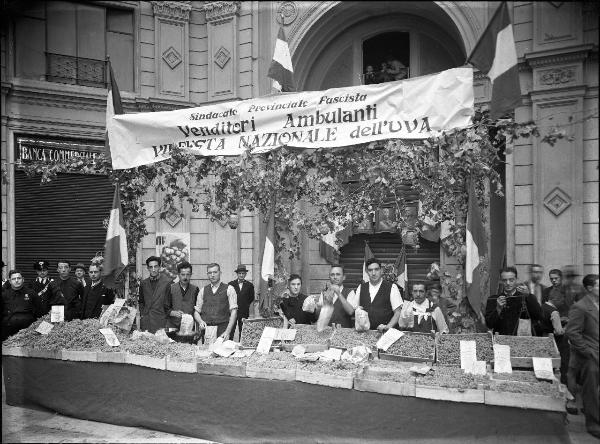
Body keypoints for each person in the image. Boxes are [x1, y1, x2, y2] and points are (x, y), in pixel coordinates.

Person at [566, 274, 599, 438]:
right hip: (589, 358)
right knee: (590, 391)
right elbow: (572, 332)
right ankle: (593, 425)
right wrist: (587, 352)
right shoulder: (580, 307)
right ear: (590, 288)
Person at [348, 258, 404, 331]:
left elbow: (398, 312)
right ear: (367, 272)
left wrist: (387, 327)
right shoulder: (361, 287)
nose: (373, 273)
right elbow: (355, 309)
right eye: (370, 270)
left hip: (386, 334)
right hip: (366, 333)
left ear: (381, 271)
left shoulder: (392, 287)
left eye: (376, 269)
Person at [485, 266, 542, 335]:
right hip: (501, 342)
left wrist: (528, 296)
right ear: (500, 281)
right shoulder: (493, 299)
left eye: (511, 280)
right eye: (504, 280)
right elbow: (489, 324)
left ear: (516, 280)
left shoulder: (525, 297)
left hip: (522, 340)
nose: (508, 283)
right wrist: (498, 309)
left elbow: (539, 316)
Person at [194, 263, 238, 339]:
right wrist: (200, 321)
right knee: (207, 350)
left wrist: (228, 331)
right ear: (207, 274)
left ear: (220, 273)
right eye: (210, 273)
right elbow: (196, 312)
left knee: (221, 351)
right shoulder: (203, 290)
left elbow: (234, 312)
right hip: (207, 331)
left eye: (215, 272)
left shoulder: (229, 289)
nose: (212, 275)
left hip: (223, 330)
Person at [138, 256, 172, 333]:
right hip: (147, 322)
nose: (153, 269)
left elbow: (170, 304)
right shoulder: (143, 283)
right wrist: (143, 315)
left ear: (160, 267)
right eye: (151, 267)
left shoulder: (167, 283)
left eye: (155, 266)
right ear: (148, 268)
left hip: (161, 322)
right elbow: (141, 301)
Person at [1, 270, 36, 341]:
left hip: (28, 332)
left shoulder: (31, 293)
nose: (16, 281)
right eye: (14, 279)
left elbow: (40, 312)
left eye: (19, 278)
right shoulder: (4, 295)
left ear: (23, 279)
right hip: (8, 332)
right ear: (10, 281)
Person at [164, 261, 199, 330]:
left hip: (189, 327)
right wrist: (172, 312)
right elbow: (165, 307)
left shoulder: (195, 289)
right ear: (178, 274)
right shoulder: (171, 287)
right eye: (183, 274)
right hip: (173, 326)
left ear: (191, 275)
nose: (185, 277)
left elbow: (197, 309)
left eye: (188, 274)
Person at [227, 265, 255, 340]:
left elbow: (251, 298)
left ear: (245, 274)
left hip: (243, 311)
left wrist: (245, 305)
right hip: (232, 311)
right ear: (237, 274)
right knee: (231, 329)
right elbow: (228, 297)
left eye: (243, 273)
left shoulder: (250, 285)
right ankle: (228, 345)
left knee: (243, 330)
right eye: (240, 273)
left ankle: (241, 346)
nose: (241, 275)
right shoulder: (231, 284)